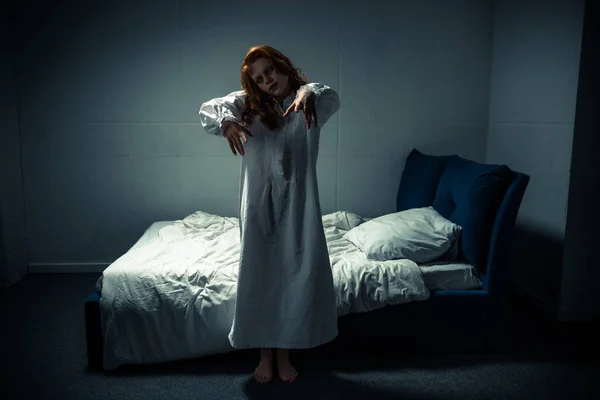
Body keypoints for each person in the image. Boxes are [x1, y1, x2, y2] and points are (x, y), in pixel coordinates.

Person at [199, 45, 340, 384]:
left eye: (269, 72)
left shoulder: (312, 102)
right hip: (258, 201)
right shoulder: (249, 105)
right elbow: (209, 109)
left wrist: (308, 89)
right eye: (259, 80)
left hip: (299, 201)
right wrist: (228, 121)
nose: (266, 81)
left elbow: (333, 96)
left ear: (284, 66)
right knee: (260, 270)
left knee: (294, 269)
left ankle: (285, 351)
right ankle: (264, 351)